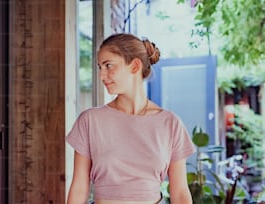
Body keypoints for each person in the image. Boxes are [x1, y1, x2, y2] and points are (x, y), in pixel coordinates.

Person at [66, 33, 195, 204]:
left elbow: (180, 193)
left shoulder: (170, 124)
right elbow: (79, 189)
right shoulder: (90, 121)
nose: (102, 76)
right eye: (100, 68)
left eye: (108, 66)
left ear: (134, 66)